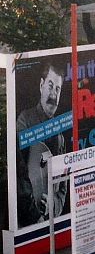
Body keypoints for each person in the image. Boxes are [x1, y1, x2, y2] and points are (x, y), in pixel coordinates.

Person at [16, 61, 68, 227]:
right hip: (28, 223)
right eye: (50, 86)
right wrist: (36, 215)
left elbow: (63, 185)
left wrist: (53, 205)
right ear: (41, 85)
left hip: (50, 223)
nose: (53, 94)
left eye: (58, 89)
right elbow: (19, 174)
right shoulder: (25, 121)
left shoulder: (60, 136)